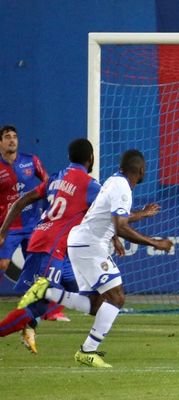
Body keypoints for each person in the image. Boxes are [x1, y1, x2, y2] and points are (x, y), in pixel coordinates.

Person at [18, 149, 173, 367]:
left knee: (97, 305)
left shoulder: (115, 181)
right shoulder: (122, 188)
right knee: (117, 297)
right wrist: (155, 242)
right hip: (90, 244)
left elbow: (114, 219)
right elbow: (121, 225)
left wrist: (139, 215)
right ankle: (87, 351)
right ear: (140, 170)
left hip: (82, 242)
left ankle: (47, 291)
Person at [0, 139, 116, 353]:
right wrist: (130, 223)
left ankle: (32, 324)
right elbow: (113, 214)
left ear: (69, 157)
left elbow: (22, 200)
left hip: (55, 248)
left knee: (80, 291)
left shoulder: (55, 178)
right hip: (50, 248)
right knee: (39, 304)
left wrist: (3, 230)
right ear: (91, 158)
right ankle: (27, 323)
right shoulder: (89, 185)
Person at [0, 126, 48, 284]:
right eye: (7, 137)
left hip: (32, 224)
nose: (12, 140)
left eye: (14, 136)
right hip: (8, 227)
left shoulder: (31, 161)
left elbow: (47, 184)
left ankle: (38, 305)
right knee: (2, 264)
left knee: (37, 267)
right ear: (0, 142)